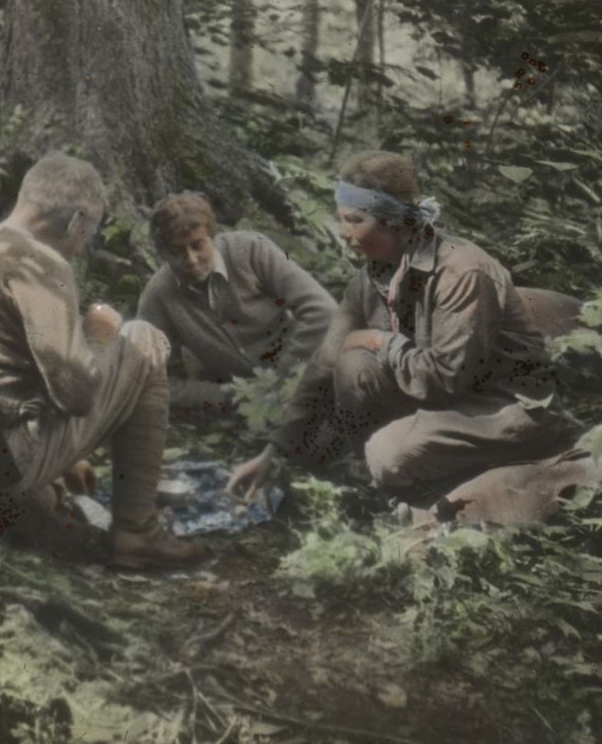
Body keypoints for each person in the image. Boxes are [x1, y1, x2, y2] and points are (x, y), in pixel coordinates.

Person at [0, 152, 207, 568]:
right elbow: (79, 396)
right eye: (86, 233)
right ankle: (138, 532)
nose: (80, 247)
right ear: (76, 221)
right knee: (142, 338)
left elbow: (0, 370)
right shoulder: (43, 263)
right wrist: (99, 337)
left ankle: (45, 501)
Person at [228, 151, 580, 510]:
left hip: (505, 405)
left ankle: (425, 491)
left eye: (355, 220)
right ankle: (391, 477)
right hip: (446, 398)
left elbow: (446, 377)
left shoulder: (462, 272)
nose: (344, 233)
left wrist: (381, 341)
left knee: (386, 454)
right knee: (352, 366)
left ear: (394, 223)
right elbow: (325, 363)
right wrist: (274, 451)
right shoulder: (374, 275)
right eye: (342, 219)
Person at [136, 192, 337, 420]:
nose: (191, 259)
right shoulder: (157, 296)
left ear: (212, 236)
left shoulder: (251, 249)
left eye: (198, 245)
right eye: (178, 251)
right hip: (246, 404)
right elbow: (155, 381)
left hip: (304, 370)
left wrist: (284, 377)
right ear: (162, 253)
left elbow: (322, 309)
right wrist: (229, 397)